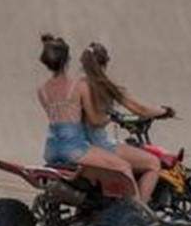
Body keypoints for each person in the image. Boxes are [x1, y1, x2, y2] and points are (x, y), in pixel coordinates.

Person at [36, 35, 141, 200]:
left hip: (50, 149)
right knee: (124, 167)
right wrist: (109, 118)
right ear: (68, 60)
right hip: (74, 148)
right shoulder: (78, 86)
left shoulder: (41, 90)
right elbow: (93, 120)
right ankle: (138, 214)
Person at [79, 42, 175, 205]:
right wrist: (164, 111)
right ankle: (139, 212)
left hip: (75, 145)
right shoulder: (107, 88)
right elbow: (141, 109)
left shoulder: (75, 87)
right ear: (105, 63)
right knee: (153, 163)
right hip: (99, 146)